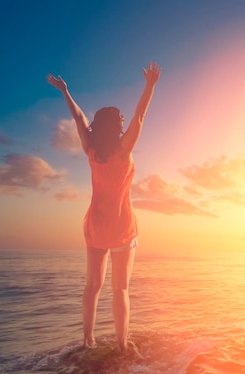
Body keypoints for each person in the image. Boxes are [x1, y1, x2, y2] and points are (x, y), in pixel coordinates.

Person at [47, 62, 161, 351]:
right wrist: (150, 85)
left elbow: (79, 118)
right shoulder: (124, 151)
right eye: (120, 119)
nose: (124, 120)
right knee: (120, 289)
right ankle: (123, 345)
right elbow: (141, 115)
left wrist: (65, 92)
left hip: (96, 226)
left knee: (92, 287)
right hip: (122, 227)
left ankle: (88, 340)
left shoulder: (92, 151)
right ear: (116, 125)